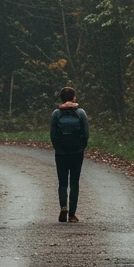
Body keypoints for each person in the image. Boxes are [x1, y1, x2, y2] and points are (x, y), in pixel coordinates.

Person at [50, 86, 89, 222]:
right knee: (74, 182)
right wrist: (80, 148)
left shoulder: (56, 114)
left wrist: (58, 148)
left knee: (62, 183)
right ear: (74, 98)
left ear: (61, 98)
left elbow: (53, 135)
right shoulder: (81, 113)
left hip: (61, 153)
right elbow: (86, 134)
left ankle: (63, 207)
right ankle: (72, 215)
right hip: (76, 153)